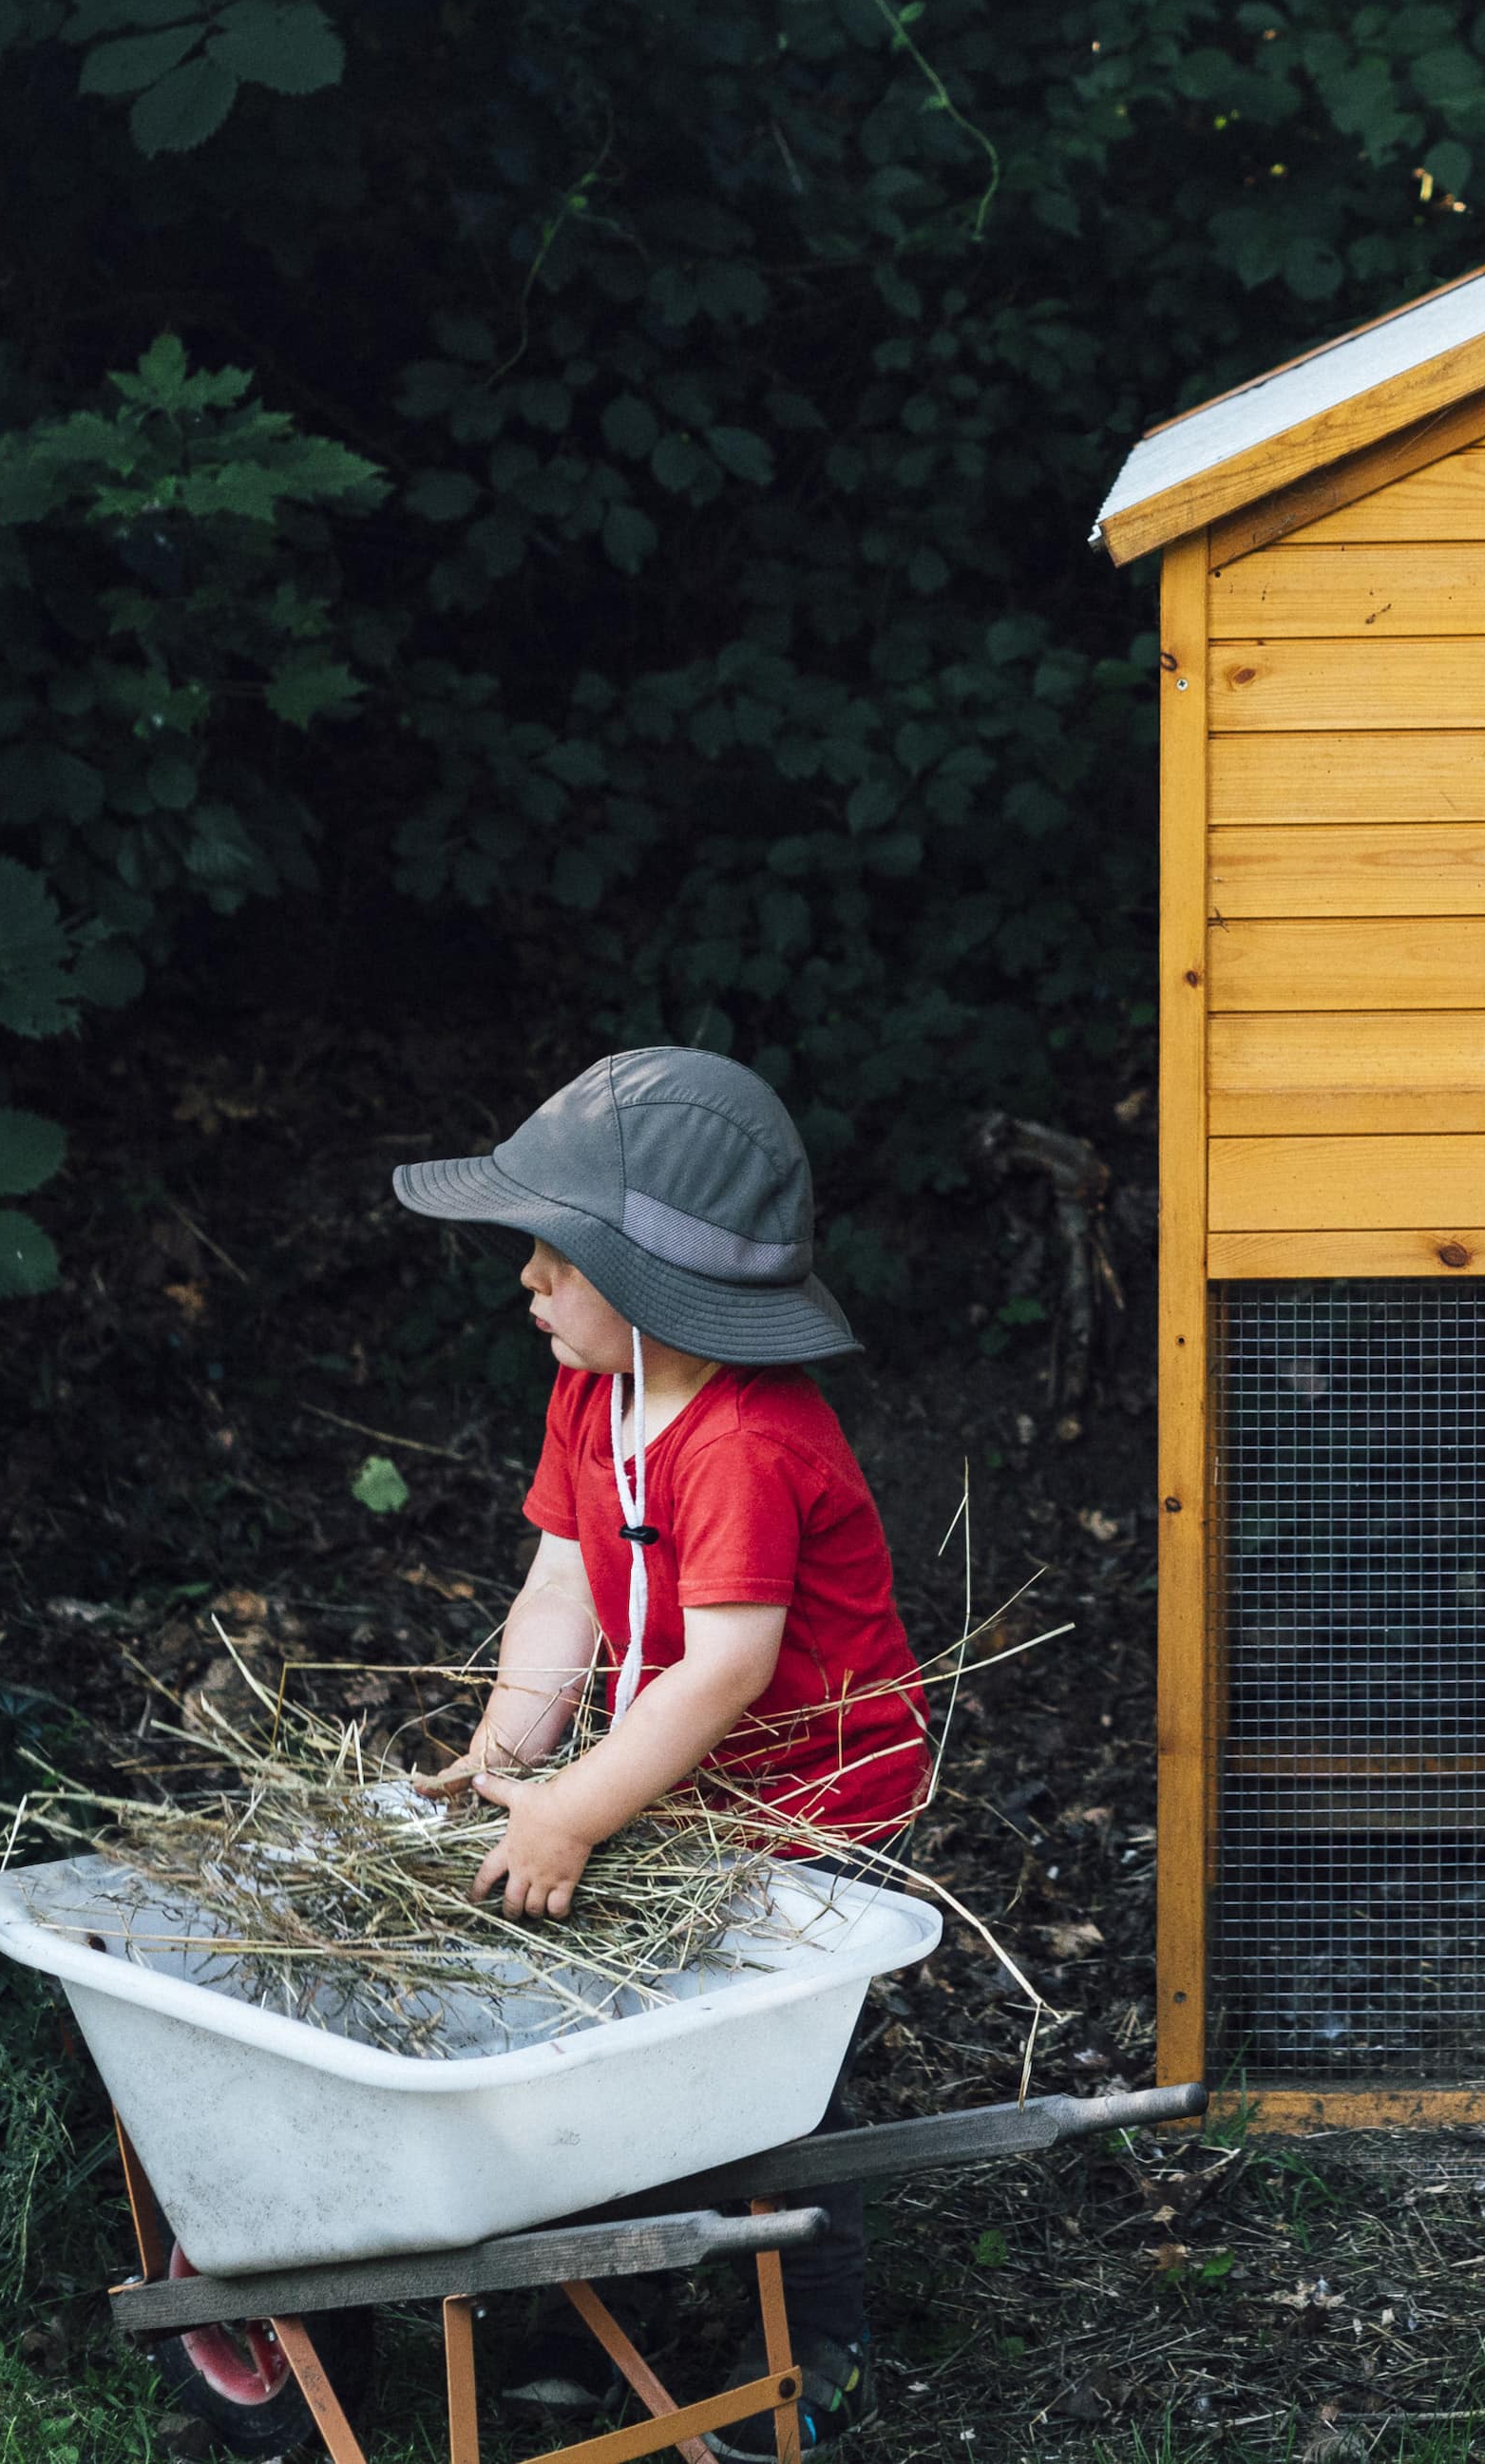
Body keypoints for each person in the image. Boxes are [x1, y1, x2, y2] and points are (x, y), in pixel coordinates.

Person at [395, 1045, 921, 2448]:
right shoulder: (596, 1393)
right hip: (670, 1756)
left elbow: (732, 1667)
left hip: (802, 1784)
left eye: (551, 1261)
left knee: (770, 2070)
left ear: (638, 1279)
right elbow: (562, 1587)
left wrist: (576, 1812)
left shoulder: (747, 1436)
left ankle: (819, 2339)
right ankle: (587, 2299)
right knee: (591, 2023)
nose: (526, 1285)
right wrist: (512, 1759)